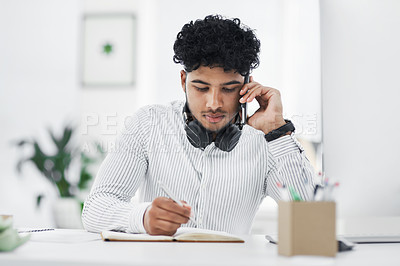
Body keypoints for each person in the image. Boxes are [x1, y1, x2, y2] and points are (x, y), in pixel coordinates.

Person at [82, 14, 315, 236]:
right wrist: (141, 217)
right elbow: (95, 209)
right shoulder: (148, 124)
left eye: (229, 88)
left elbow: (310, 219)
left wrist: (278, 131)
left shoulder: (266, 140)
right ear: (184, 81)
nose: (214, 103)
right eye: (201, 88)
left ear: (247, 86)